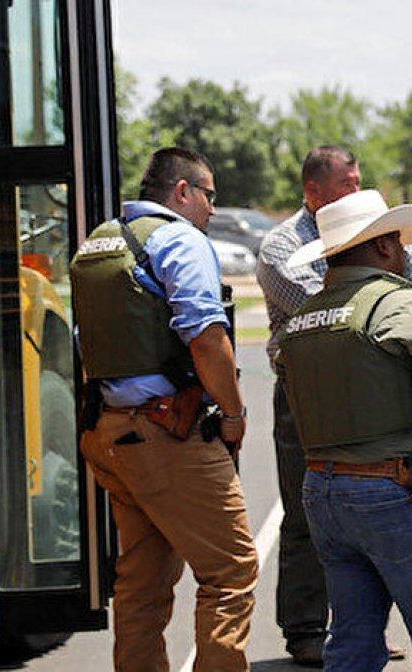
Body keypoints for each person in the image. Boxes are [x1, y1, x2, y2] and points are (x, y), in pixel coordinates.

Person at [275, 189, 412, 671]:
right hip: (396, 490)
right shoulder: (403, 307)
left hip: (325, 491)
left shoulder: (303, 320)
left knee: (352, 638)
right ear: (385, 247)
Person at [71, 147, 258, 671]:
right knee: (230, 570)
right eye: (210, 196)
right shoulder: (181, 239)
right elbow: (204, 335)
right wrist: (235, 415)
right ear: (182, 192)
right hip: (165, 435)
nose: (213, 210)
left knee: (143, 581)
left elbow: (87, 341)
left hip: (109, 431)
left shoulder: (99, 244)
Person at [255, 146, 412, 664]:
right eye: (348, 184)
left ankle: (362, 629)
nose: (358, 191)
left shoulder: (378, 234)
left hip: (378, 392)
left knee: (375, 509)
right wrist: (386, 295)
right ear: (314, 193)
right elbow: (330, 311)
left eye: (359, 181)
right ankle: (307, 629)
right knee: (307, 510)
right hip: (306, 396)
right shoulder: (282, 247)